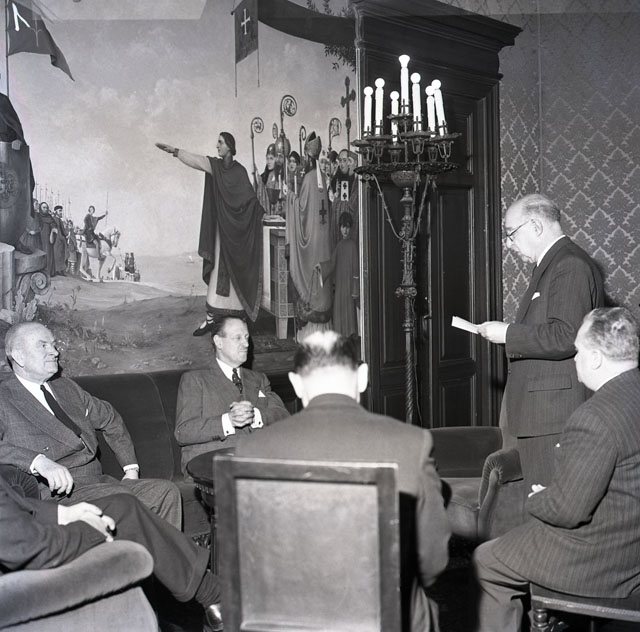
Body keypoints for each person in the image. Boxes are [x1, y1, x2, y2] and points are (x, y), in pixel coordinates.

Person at [235, 330, 451, 632]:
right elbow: (433, 559)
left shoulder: (251, 449)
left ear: (296, 383)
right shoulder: (411, 442)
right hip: (381, 618)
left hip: (284, 618)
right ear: (362, 377)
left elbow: (247, 562)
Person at [474, 307, 640, 632]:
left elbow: (568, 512)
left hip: (603, 559)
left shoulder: (593, 417)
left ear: (595, 358)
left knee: (485, 561)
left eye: (578, 351)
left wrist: (539, 497)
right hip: (632, 542)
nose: (575, 360)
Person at [477, 193, 604, 491]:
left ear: (535, 226)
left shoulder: (569, 264)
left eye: (511, 233)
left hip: (554, 415)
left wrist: (508, 333)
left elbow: (566, 335)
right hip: (543, 414)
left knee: (550, 504)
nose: (508, 244)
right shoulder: (553, 263)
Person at [0, 322, 182, 529]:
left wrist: (130, 469)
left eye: (53, 344)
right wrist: (38, 461)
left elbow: (109, 418)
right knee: (122, 500)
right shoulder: (4, 396)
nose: (55, 352)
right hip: (57, 496)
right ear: (19, 356)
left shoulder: (66, 387)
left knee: (165, 492)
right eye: (43, 346)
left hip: (98, 482)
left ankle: (159, 551)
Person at [0, 464, 223, 632]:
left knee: (123, 507)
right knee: (119, 520)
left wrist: (61, 513)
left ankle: (209, 594)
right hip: (19, 575)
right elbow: (29, 548)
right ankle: (216, 596)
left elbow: (7, 506)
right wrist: (94, 530)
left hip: (18, 535)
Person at [156, 134, 265, 335]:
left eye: (220, 143)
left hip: (237, 235)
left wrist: (259, 211)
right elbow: (197, 161)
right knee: (217, 275)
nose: (217, 146)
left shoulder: (240, 172)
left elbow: (250, 200)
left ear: (230, 146)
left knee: (236, 276)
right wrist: (176, 151)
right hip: (221, 234)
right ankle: (210, 319)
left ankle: (239, 317)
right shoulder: (215, 166)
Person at [175, 316, 289, 476]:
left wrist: (255, 415)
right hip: (212, 466)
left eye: (247, 337)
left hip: (257, 462)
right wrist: (228, 421)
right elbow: (183, 432)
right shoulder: (195, 380)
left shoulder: (259, 378)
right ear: (218, 342)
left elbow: (284, 416)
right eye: (238, 338)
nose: (246, 344)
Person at [286, 131, 333, 339]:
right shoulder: (323, 178)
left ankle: (308, 334)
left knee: (308, 273)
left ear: (307, 155)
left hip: (312, 241)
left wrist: (290, 197)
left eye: (305, 155)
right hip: (323, 241)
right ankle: (324, 329)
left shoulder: (307, 179)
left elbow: (301, 210)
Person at [318, 211, 359, 338]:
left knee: (349, 314)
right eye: (343, 227)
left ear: (351, 228)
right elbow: (332, 263)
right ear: (340, 228)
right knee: (339, 314)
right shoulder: (339, 246)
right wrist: (320, 267)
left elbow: (356, 269)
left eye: (347, 227)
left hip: (349, 287)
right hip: (340, 287)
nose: (345, 230)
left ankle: (350, 340)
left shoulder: (353, 246)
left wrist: (355, 289)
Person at [329, 149, 359, 247]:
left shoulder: (356, 181)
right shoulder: (337, 179)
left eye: (345, 160)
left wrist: (337, 202)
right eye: (340, 161)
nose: (342, 164)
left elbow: (352, 206)